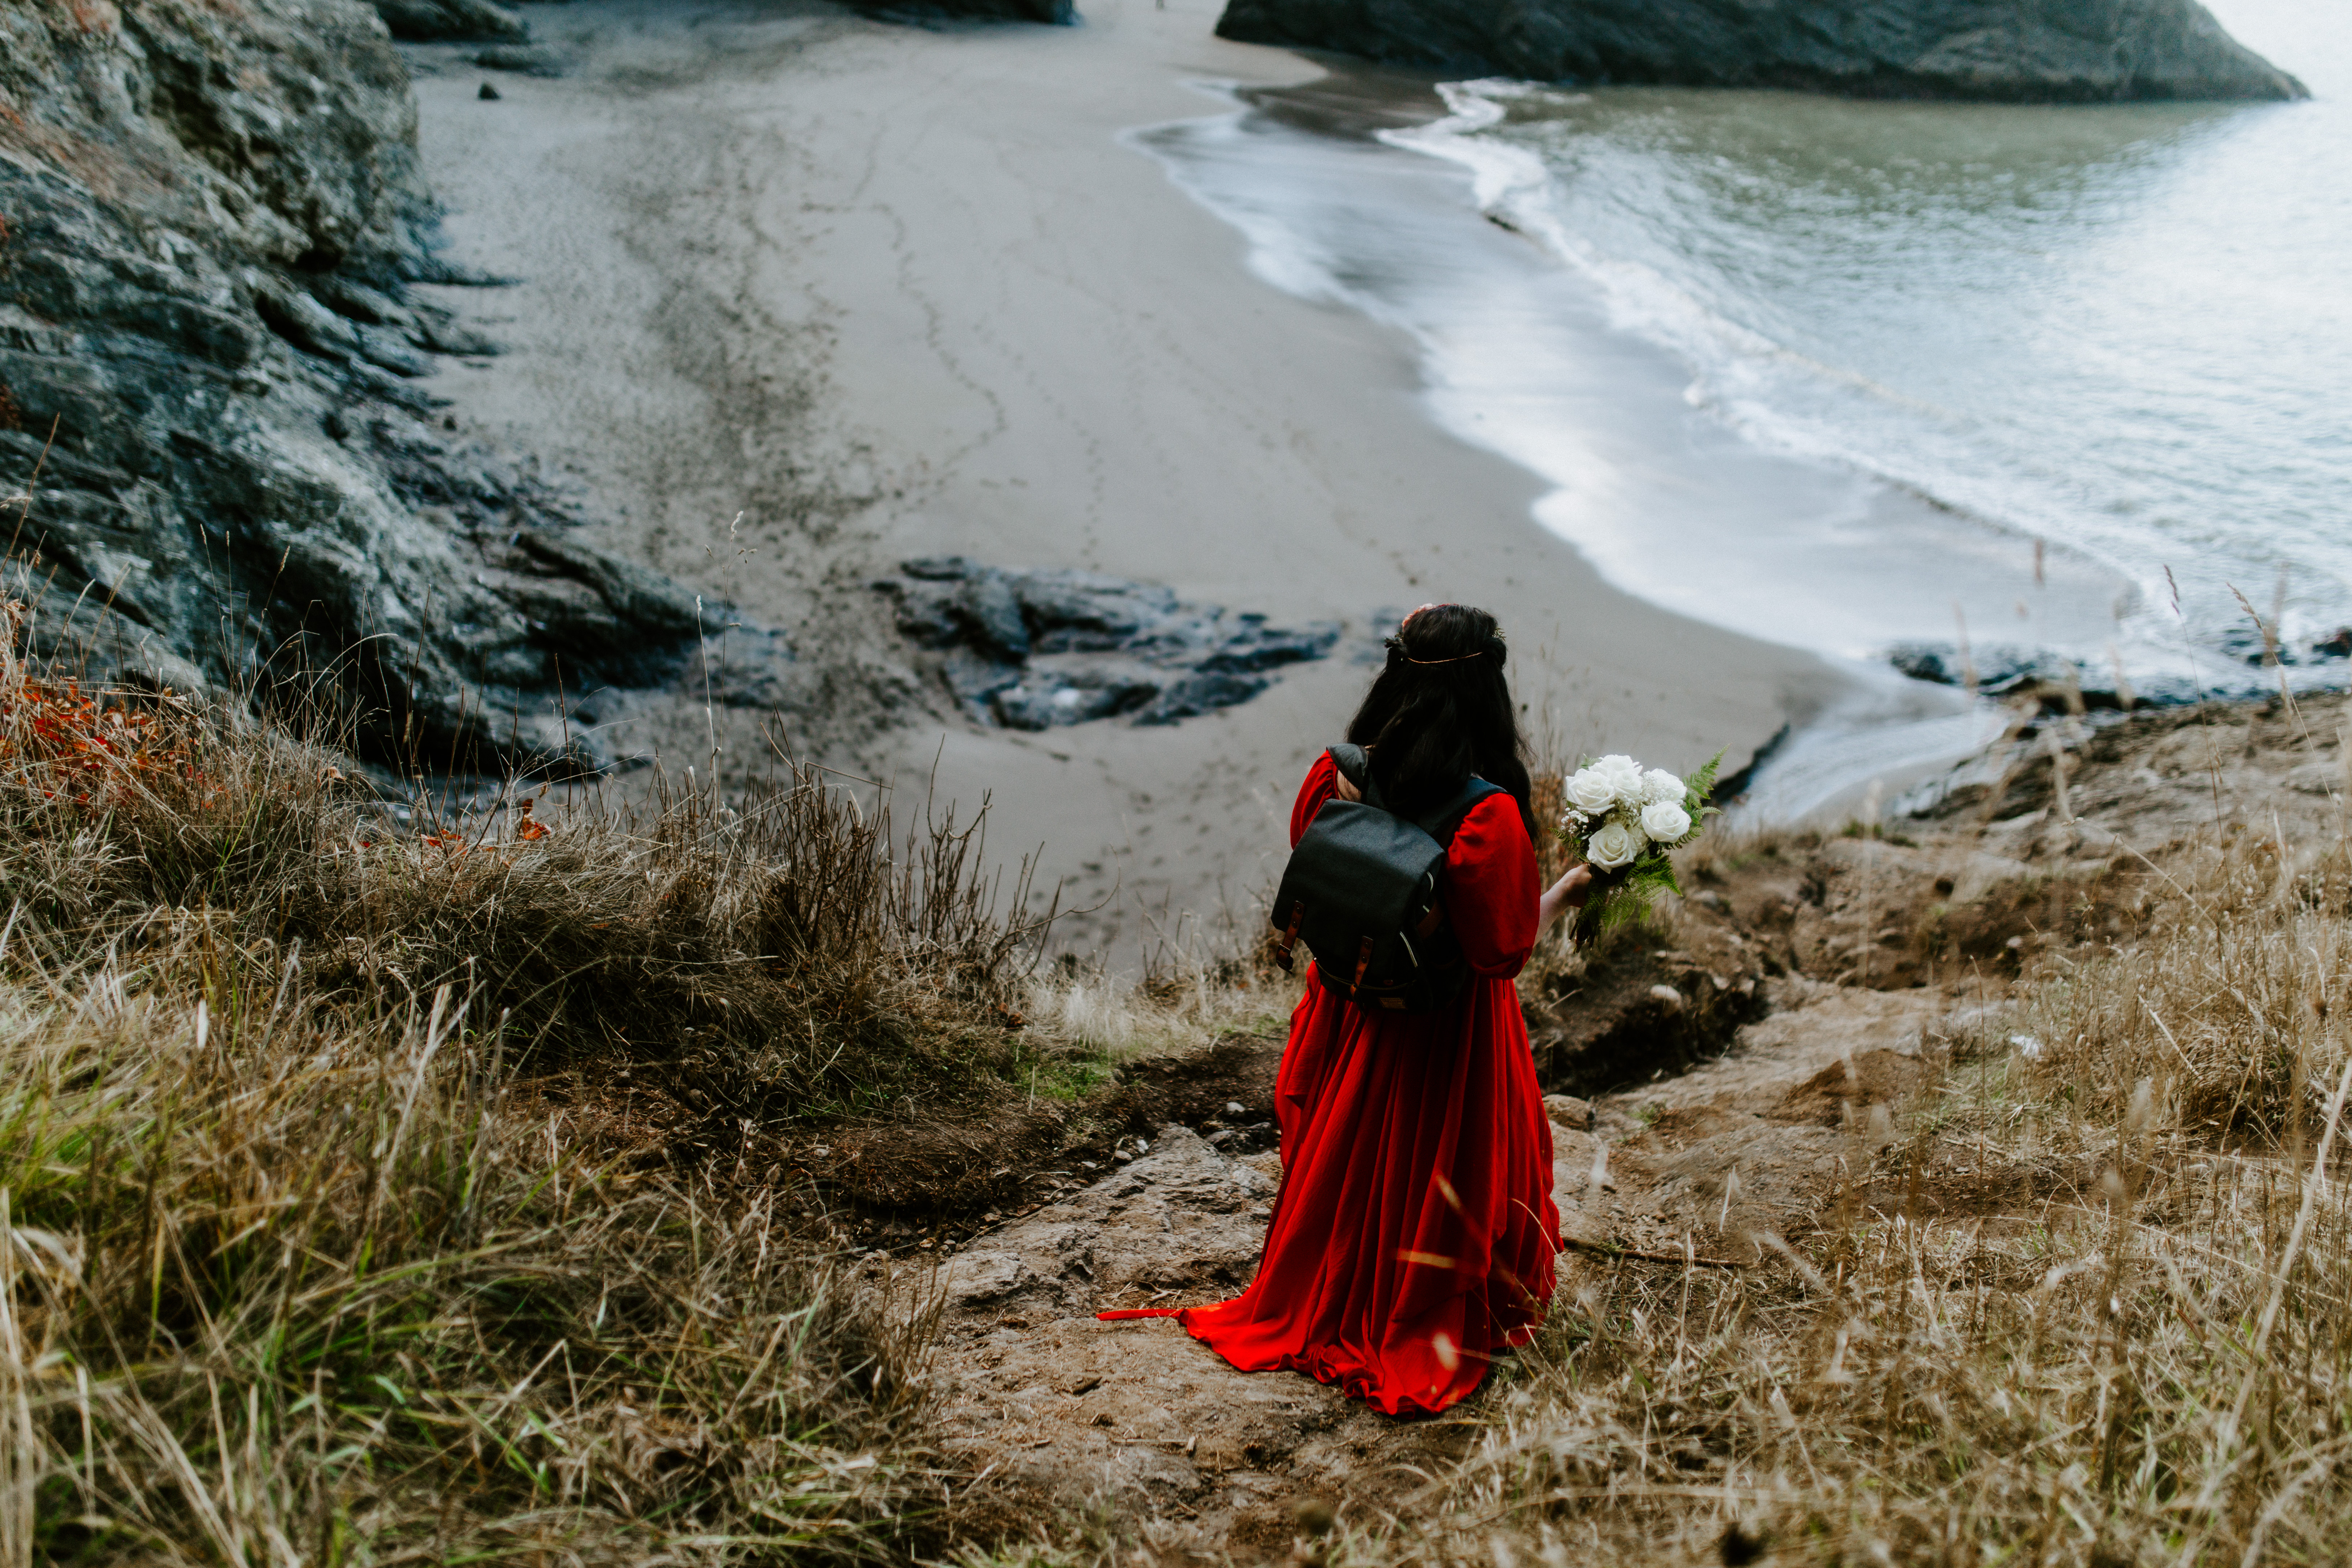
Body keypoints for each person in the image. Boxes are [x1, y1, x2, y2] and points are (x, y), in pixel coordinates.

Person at [1101, 603, 1591, 1415]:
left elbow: (1330, 882)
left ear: (1393, 676)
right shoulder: (1487, 814)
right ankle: (1409, 1313)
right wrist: (1570, 888)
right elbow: (1499, 954)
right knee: (1430, 1177)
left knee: (1348, 1172)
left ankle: (1330, 1292)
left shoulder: (1334, 774)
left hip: (1349, 1013)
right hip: (1446, 1039)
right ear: (1488, 688)